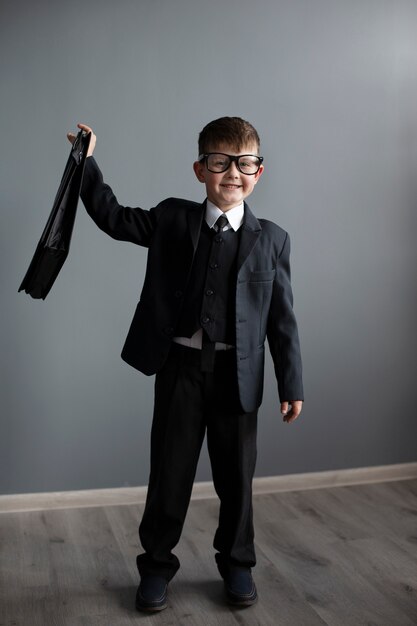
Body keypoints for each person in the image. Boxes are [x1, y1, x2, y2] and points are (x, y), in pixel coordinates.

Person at [68, 117, 304, 612]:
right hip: (179, 368)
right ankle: (156, 567)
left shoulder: (274, 239)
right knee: (170, 472)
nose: (232, 174)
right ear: (201, 170)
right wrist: (86, 164)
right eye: (220, 163)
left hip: (238, 377)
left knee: (237, 479)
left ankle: (238, 565)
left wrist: (291, 383)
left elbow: (282, 320)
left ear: (259, 172)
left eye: (244, 165)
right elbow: (114, 218)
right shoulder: (173, 218)